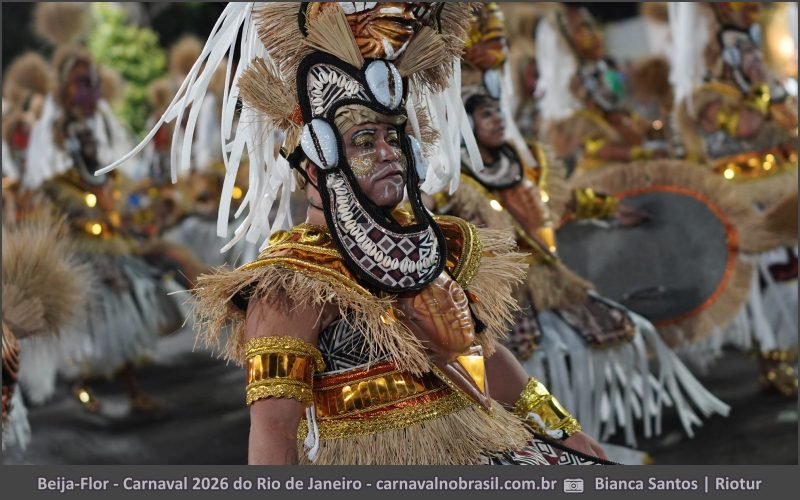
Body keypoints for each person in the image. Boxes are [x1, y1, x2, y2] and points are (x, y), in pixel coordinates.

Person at [102, 2, 610, 465]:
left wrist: (564, 432)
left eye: (393, 136)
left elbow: (482, 355)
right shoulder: (291, 286)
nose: (389, 152)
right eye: (365, 140)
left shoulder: (425, 248)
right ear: (316, 164)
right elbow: (274, 432)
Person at [438, 3, 730, 458]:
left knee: (617, 333)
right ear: (464, 125)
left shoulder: (526, 163)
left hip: (554, 282)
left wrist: (610, 209)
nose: (496, 118)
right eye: (484, 114)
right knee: (527, 367)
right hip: (501, 299)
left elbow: (564, 199)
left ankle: (588, 436)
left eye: (497, 111)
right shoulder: (452, 183)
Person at [669, 2, 798, 396]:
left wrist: (766, 91)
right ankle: (773, 358)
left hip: (783, 183)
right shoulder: (708, 89)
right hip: (746, 197)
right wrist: (764, 92)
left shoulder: (751, 61)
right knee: (772, 273)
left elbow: (786, 118)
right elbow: (746, 124)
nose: (754, 6)